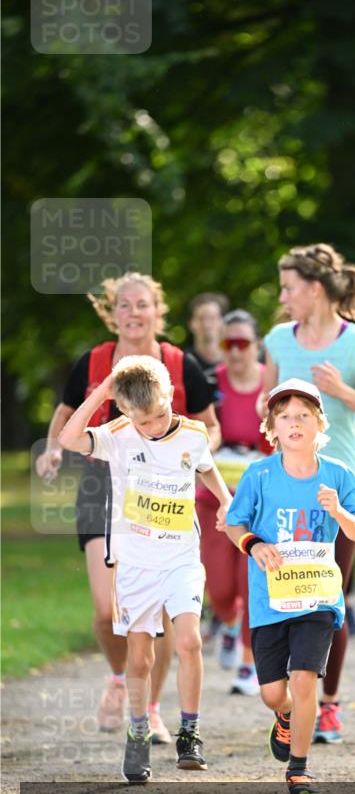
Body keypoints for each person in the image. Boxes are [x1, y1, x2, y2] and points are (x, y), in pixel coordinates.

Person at [35, 273, 221, 741]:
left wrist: (191, 459)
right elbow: (65, 414)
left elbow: (210, 428)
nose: (134, 313)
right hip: (105, 481)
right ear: (111, 313)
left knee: (158, 616)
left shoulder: (181, 364)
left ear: (158, 311)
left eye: (143, 305)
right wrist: (56, 449)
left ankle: (152, 709)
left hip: (163, 492)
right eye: (124, 305)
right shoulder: (95, 361)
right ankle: (120, 678)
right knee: (105, 610)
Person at [59, 356, 232, 782]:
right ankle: (137, 733)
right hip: (135, 562)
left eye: (159, 416)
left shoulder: (191, 433)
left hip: (180, 558)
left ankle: (189, 732)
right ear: (123, 412)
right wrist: (103, 390)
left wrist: (227, 503)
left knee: (189, 640)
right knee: (140, 657)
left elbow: (207, 469)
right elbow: (68, 437)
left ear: (171, 397)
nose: (154, 428)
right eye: (143, 422)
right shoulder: (117, 434)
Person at [262, 243, 355, 742]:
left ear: (314, 289)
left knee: (329, 597)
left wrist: (343, 393)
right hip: (283, 487)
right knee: (284, 596)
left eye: (288, 287)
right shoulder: (278, 340)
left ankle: (329, 704)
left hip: (338, 487)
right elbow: (264, 404)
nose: (283, 297)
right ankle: (289, 701)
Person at [225, 379, 355, 794]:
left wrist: (338, 510)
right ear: (272, 425)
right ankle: (284, 716)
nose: (294, 423)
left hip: (318, 597)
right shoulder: (259, 475)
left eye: (304, 416)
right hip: (271, 599)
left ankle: (299, 769)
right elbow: (236, 523)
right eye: (285, 416)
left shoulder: (338, 475)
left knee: (305, 678)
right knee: (274, 692)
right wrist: (254, 544)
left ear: (319, 423)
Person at [196, 309, 273, 695]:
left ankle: (249, 664)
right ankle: (227, 620)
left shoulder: (269, 386)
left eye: (243, 343)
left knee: (252, 582)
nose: (236, 351)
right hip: (213, 502)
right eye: (229, 343)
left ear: (256, 346)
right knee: (221, 588)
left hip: (258, 507)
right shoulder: (211, 385)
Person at [186, 292, 230, 388]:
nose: (206, 324)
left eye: (212, 318)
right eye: (201, 318)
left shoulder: (236, 359)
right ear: (191, 324)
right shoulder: (183, 363)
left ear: (222, 321)